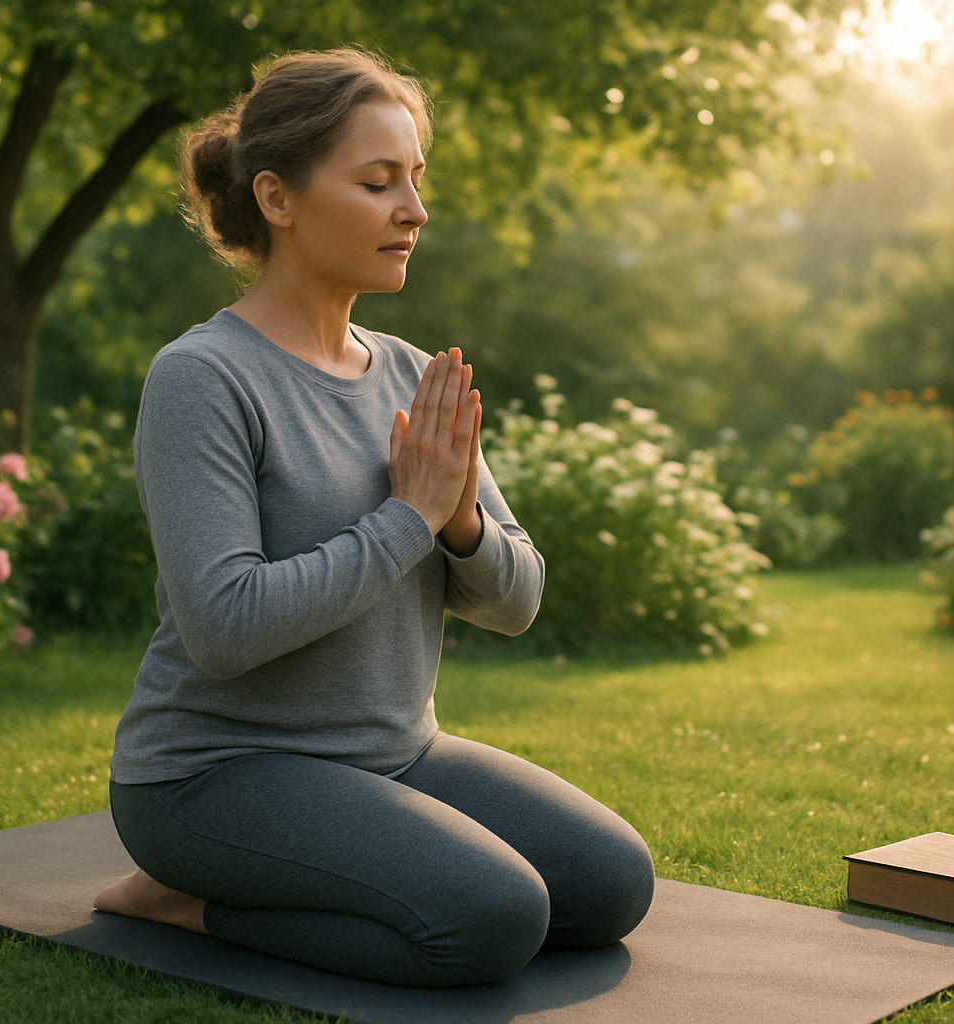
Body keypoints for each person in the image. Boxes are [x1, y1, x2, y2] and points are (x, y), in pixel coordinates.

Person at [92, 49, 655, 988]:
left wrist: (460, 520)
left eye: (416, 180)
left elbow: (516, 601)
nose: (414, 210)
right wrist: (408, 518)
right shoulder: (204, 379)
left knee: (608, 885)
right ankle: (184, 899)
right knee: (492, 919)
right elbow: (226, 627)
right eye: (377, 181)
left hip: (396, 754)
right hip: (213, 775)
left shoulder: (408, 373)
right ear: (278, 198)